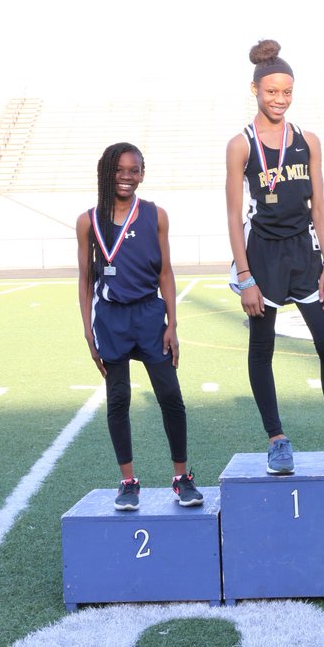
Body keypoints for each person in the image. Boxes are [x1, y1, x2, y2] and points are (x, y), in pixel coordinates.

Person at [225, 39, 324, 476]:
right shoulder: (241, 144)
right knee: (262, 348)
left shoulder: (308, 140)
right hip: (262, 257)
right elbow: (233, 214)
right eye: (271, 92)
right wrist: (245, 277)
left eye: (286, 92)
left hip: (304, 254)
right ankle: (276, 440)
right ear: (255, 90)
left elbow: (319, 206)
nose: (279, 100)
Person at [77, 142, 203, 511]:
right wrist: (87, 330)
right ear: (106, 172)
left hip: (150, 315)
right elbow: (85, 279)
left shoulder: (155, 215)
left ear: (143, 174)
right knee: (118, 399)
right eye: (120, 170)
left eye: (134, 170)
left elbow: (165, 271)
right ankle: (128, 482)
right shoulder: (88, 221)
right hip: (111, 319)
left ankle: (182, 478)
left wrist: (172, 324)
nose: (127, 177)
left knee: (170, 397)